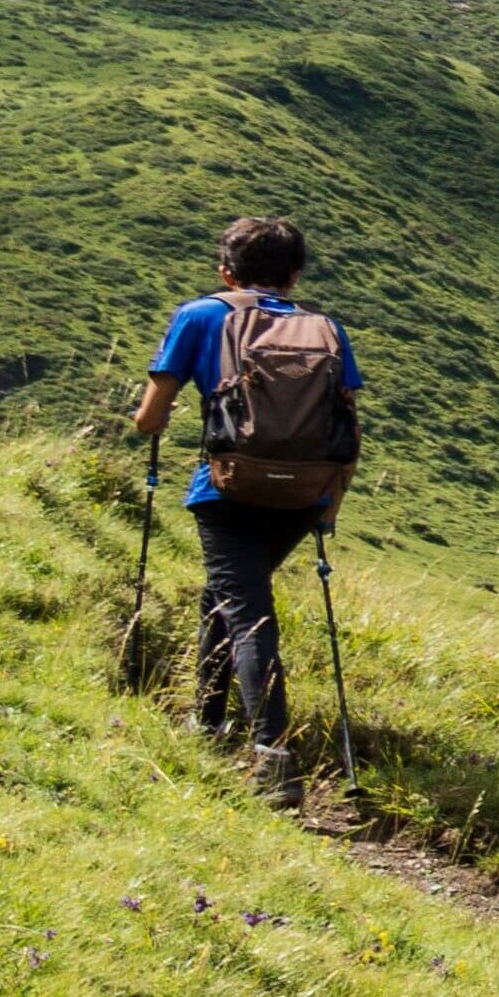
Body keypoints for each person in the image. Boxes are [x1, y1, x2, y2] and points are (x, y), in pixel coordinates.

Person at [135, 216, 362, 812]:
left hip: (229, 492)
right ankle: (206, 722)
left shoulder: (201, 315)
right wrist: (326, 505)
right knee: (228, 596)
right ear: (294, 274)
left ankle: (273, 757)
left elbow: (150, 417)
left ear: (225, 270)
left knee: (247, 614)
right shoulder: (325, 326)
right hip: (303, 497)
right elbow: (348, 423)